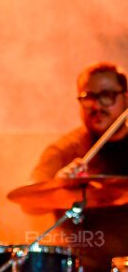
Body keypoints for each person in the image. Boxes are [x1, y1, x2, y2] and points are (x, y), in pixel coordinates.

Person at [31, 61, 128, 271]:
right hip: (79, 265)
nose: (96, 106)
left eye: (107, 95)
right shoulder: (63, 151)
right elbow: (29, 202)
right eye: (88, 97)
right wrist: (58, 185)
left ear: (126, 97)